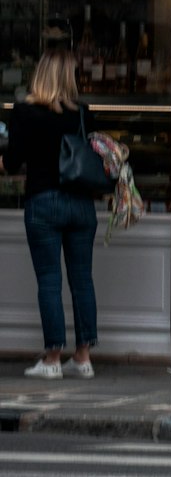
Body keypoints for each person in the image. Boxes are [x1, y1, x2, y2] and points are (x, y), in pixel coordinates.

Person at [0, 50, 98, 380]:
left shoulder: (25, 111)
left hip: (44, 201)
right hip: (82, 204)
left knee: (49, 281)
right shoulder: (83, 113)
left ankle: (53, 357)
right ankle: (83, 357)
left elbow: (12, 162)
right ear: (69, 77)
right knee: (82, 280)